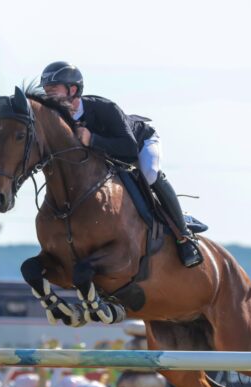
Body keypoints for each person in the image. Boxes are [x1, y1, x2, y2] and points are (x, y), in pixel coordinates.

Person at [40, 61, 203, 268]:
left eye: (53, 91)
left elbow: (129, 149)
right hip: (106, 157)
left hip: (141, 141)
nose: (48, 97)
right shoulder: (59, 119)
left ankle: (184, 237)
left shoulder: (104, 108)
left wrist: (93, 140)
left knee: (150, 173)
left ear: (73, 90)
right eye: (46, 92)